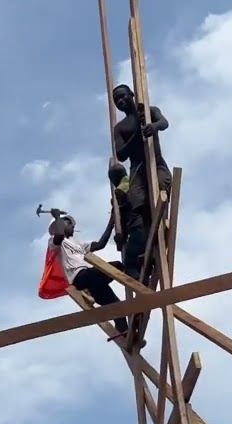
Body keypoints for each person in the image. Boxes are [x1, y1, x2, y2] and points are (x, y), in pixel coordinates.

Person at [50, 213, 139, 344]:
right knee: (116, 266)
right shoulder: (56, 242)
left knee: (116, 306)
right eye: (68, 223)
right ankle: (86, 290)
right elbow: (58, 238)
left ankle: (125, 335)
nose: (72, 226)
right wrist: (58, 219)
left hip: (93, 280)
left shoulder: (78, 245)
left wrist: (111, 222)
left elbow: (100, 244)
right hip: (79, 277)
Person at [112, 83, 171, 281]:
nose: (120, 101)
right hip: (137, 171)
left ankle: (157, 244)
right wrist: (137, 132)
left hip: (156, 165)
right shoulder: (120, 128)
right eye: (116, 100)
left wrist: (152, 126)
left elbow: (164, 122)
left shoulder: (148, 111)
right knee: (139, 211)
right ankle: (139, 255)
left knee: (160, 199)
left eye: (123, 97)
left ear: (131, 95)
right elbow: (120, 154)